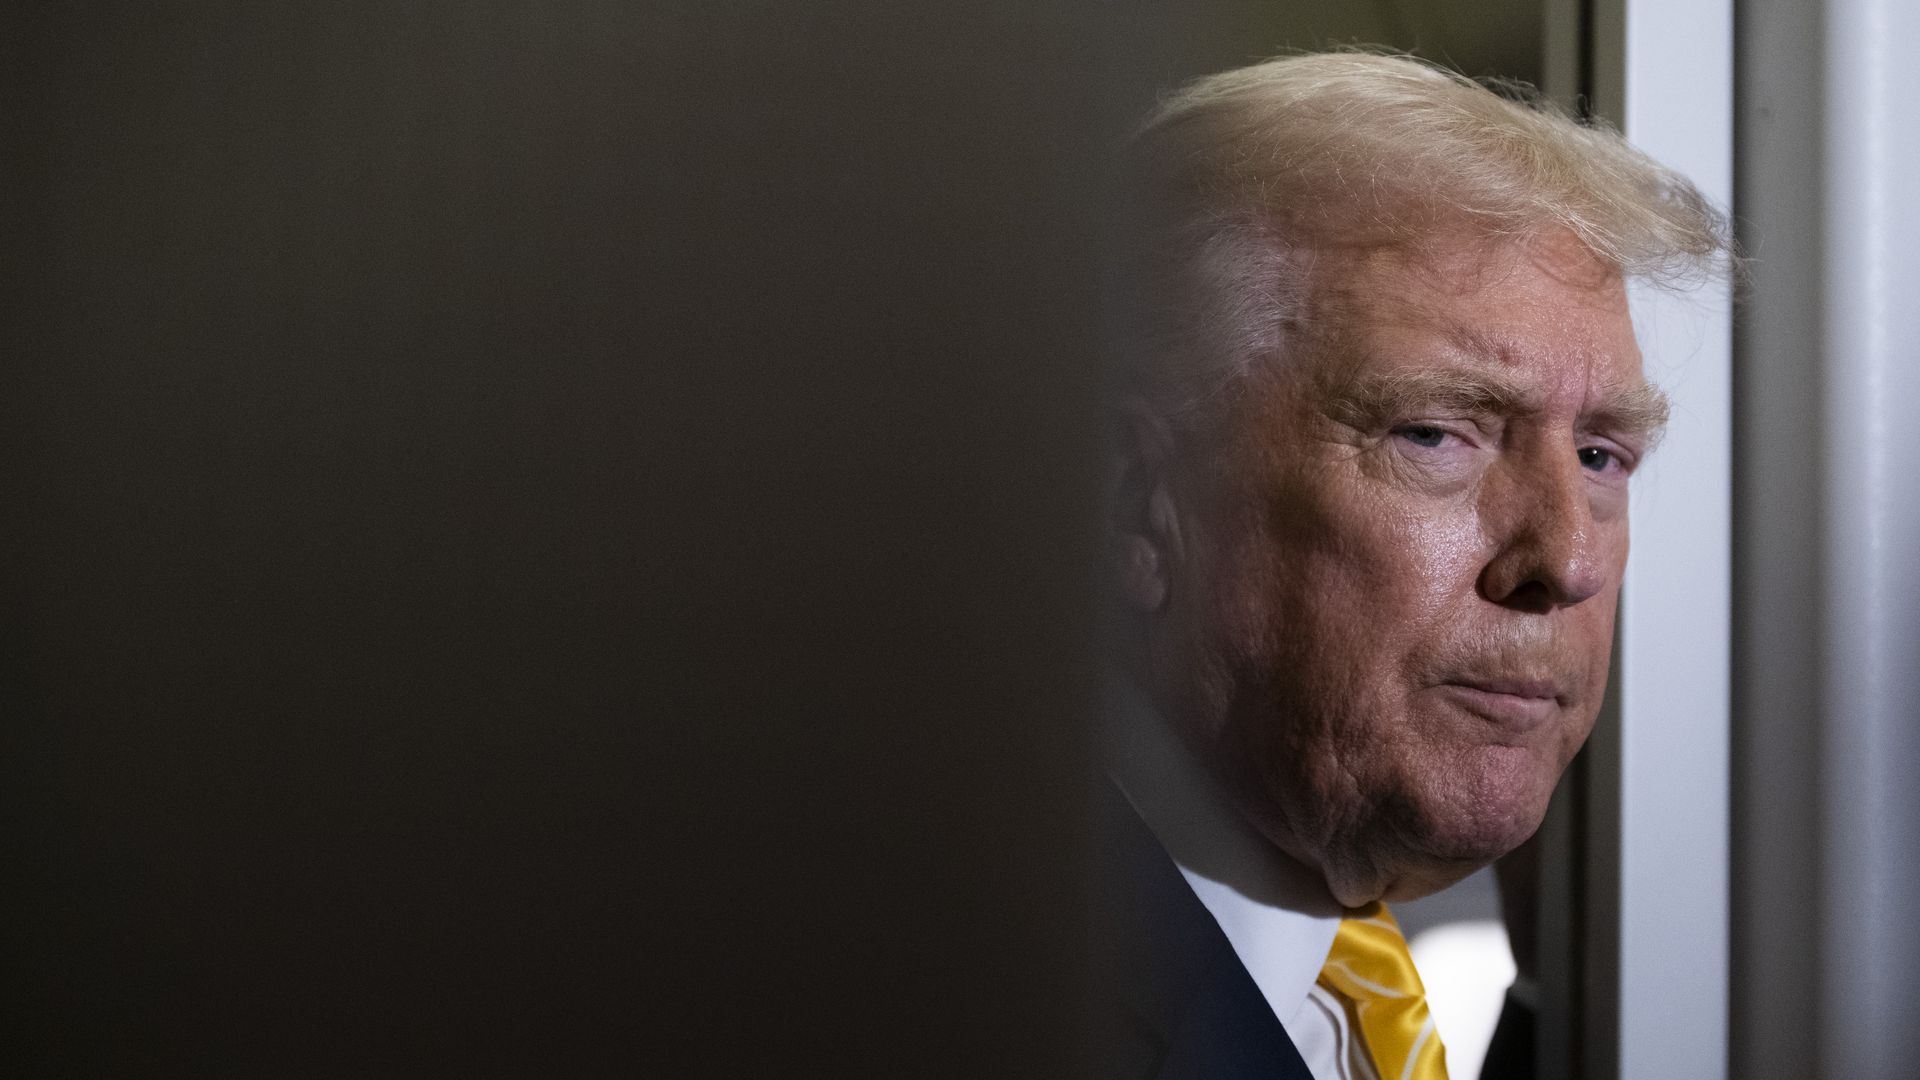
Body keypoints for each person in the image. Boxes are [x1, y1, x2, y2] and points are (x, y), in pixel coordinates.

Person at [1094, 52, 1729, 1080]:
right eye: (1438, 435)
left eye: (1602, 455)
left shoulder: (1365, 963)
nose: (1566, 560)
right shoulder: (929, 988)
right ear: (1137, 504)